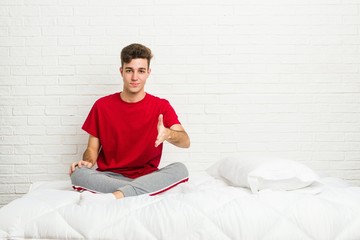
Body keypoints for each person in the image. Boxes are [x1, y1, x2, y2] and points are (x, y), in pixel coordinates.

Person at [69, 43, 190, 204]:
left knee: (180, 169)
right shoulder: (102, 106)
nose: (134, 77)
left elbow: (185, 141)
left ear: (148, 73)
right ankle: (140, 189)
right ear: (121, 72)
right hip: (109, 176)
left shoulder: (161, 106)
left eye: (140, 71)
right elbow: (92, 149)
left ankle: (117, 196)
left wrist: (168, 133)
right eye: (129, 70)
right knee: (78, 173)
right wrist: (87, 162)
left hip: (147, 175)